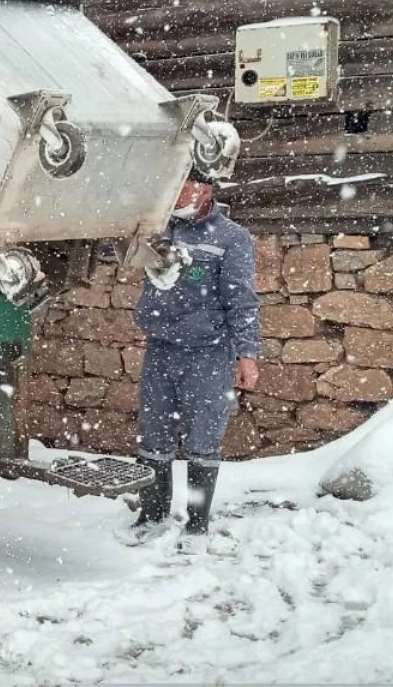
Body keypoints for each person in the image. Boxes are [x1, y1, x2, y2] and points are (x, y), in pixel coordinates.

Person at [126, 170, 260, 550]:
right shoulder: (157, 229)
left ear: (206, 190)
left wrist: (247, 353)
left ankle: (197, 524)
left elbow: (242, 300)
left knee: (203, 440)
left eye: (186, 187)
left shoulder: (231, 238)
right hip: (161, 349)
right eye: (175, 186)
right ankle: (151, 515)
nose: (178, 195)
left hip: (209, 354)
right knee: (153, 436)